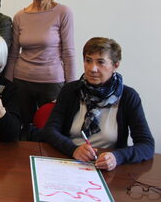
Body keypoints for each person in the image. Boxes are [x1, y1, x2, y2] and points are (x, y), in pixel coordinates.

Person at [43, 37, 154, 171]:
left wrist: (117, 157)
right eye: (88, 61)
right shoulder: (70, 90)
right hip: (69, 162)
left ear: (115, 65)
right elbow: (50, 131)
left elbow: (146, 145)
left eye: (101, 62)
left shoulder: (128, 97)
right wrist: (73, 150)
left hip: (106, 168)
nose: (92, 68)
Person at [5, 0, 76, 135]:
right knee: (22, 129)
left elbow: (69, 52)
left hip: (52, 82)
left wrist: (72, 88)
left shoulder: (63, 13)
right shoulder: (20, 16)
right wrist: (6, 86)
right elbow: (13, 54)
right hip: (22, 81)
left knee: (51, 130)